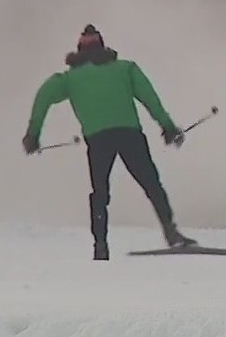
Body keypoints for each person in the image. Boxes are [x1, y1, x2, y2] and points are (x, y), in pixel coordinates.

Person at [23, 24, 197, 260]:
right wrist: (167, 127)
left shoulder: (68, 79)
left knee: (100, 193)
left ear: (79, 51)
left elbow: (43, 95)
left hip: (98, 140)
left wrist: (33, 135)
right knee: (151, 183)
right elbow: (150, 98)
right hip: (130, 135)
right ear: (103, 46)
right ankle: (171, 231)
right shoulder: (126, 69)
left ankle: (101, 245)